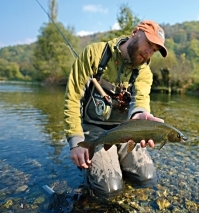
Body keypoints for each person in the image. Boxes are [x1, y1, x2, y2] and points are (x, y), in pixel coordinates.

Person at [63, 20, 168, 197]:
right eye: (148, 44)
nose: (149, 53)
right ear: (135, 33)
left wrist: (140, 114)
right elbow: (72, 99)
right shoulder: (94, 54)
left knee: (147, 178)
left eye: (154, 50)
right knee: (109, 189)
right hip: (94, 130)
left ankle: (117, 161)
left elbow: (141, 99)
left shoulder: (144, 72)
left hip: (127, 132)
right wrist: (75, 142)